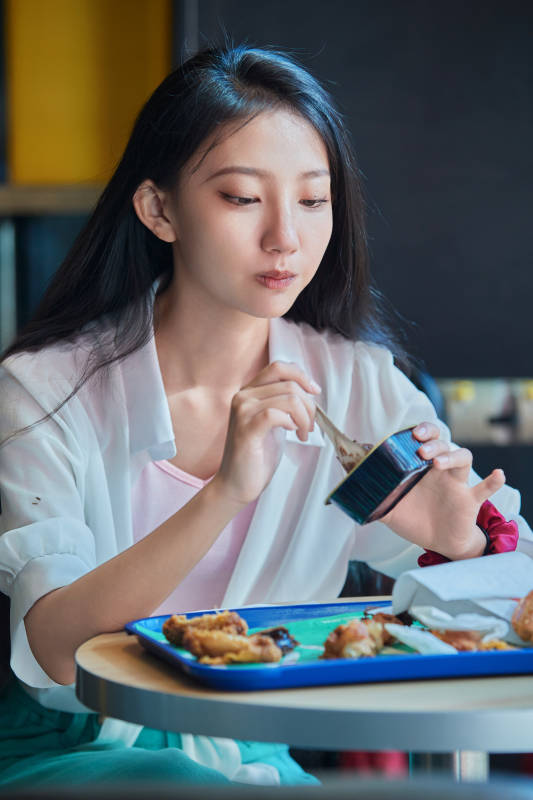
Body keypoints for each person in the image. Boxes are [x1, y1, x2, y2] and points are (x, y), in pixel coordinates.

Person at [0, 43, 531, 788]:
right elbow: (54, 648)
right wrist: (225, 491)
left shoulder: (352, 385)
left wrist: (460, 545)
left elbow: (511, 598)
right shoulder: (45, 388)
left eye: (313, 200)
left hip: (253, 759)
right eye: (242, 198)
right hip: (67, 751)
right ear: (159, 209)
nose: (286, 237)